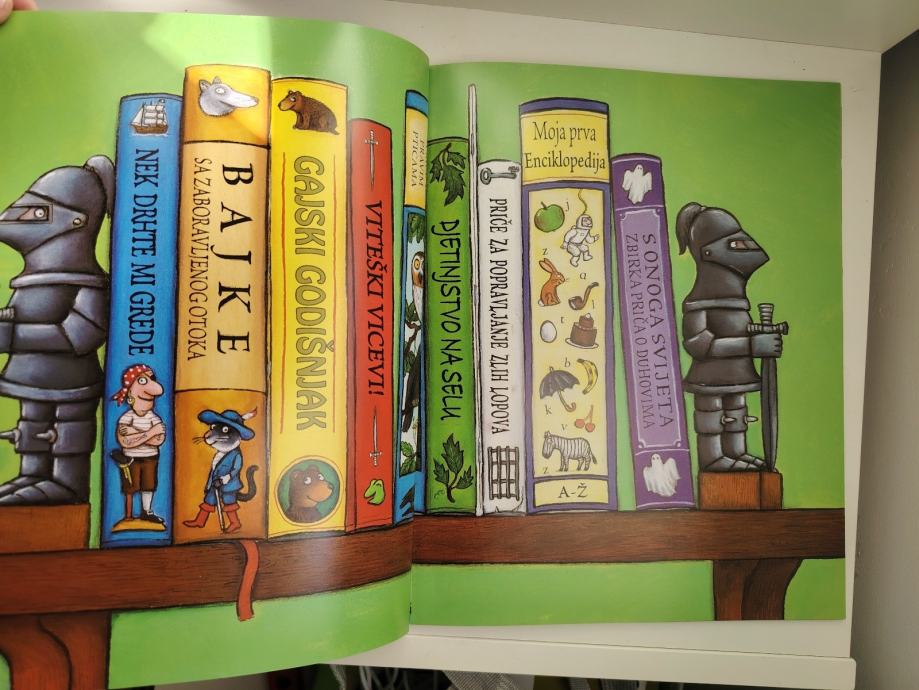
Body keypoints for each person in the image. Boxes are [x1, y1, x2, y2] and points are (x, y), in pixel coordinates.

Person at [111, 364, 166, 524]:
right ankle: (128, 515)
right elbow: (125, 442)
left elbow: (159, 440)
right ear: (130, 395)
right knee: (130, 486)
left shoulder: (154, 418)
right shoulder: (127, 417)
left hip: (151, 457)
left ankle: (146, 512)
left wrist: (134, 432)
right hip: (130, 458)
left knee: (149, 485)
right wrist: (150, 433)